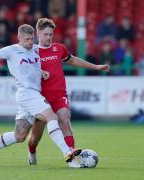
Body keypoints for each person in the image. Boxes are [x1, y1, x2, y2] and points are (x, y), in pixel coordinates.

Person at [0, 24, 81, 167]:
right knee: (52, 117)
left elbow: (34, 66)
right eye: (27, 39)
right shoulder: (10, 50)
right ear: (19, 38)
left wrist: (42, 72)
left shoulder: (35, 50)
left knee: (19, 136)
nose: (30, 42)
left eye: (32, 39)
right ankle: (67, 154)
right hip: (27, 93)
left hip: (32, 94)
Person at [27, 18, 109, 167]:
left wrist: (95, 67)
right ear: (38, 33)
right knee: (35, 137)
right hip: (40, 98)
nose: (49, 37)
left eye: (51, 34)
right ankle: (31, 151)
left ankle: (70, 156)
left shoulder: (59, 48)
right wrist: (39, 72)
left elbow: (73, 60)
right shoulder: (31, 52)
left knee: (65, 118)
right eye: (45, 34)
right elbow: (23, 72)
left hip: (59, 95)